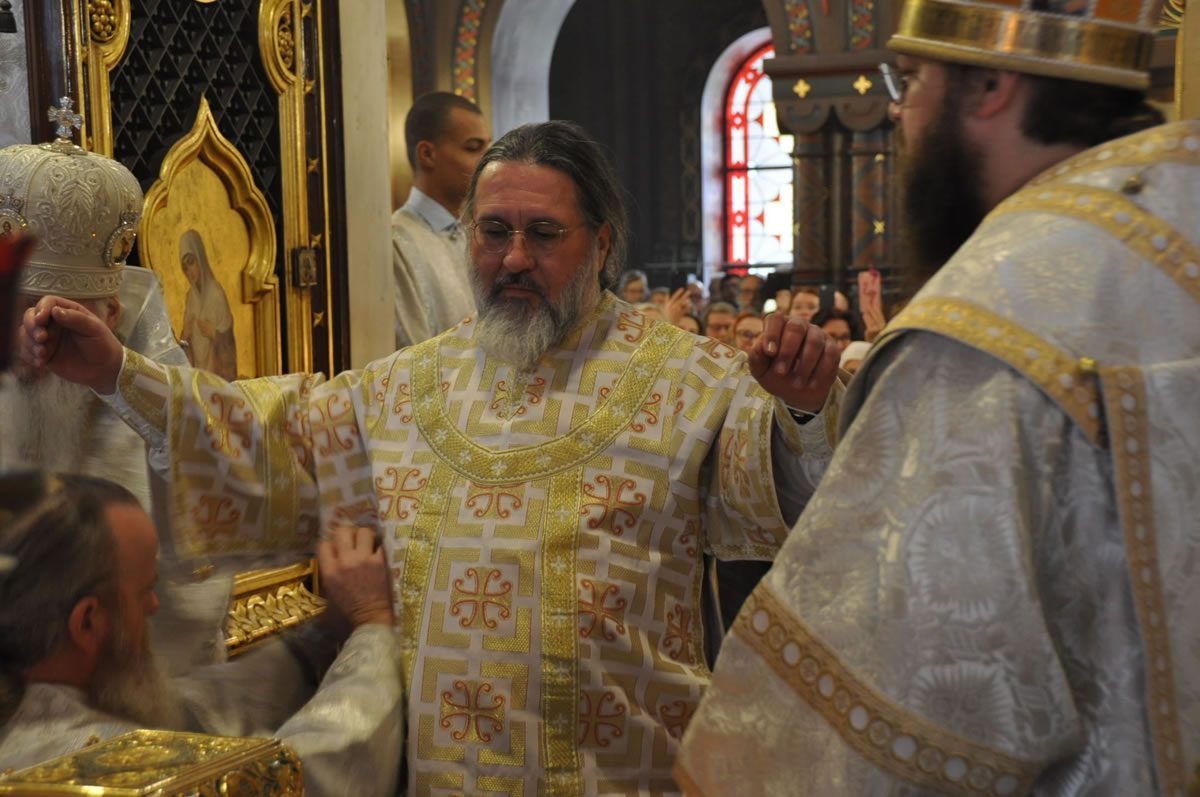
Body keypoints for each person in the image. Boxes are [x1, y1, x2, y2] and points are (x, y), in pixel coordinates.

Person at [23, 120, 841, 795]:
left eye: (543, 234)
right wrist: (118, 371)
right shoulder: (406, 387)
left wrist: (801, 406)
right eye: (493, 232)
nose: (513, 257)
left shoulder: (690, 380)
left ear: (601, 245)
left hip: (621, 772)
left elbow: (786, 494)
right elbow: (260, 431)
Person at [676, 0, 1198, 794]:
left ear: (990, 84)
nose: (897, 110)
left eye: (912, 78)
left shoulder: (981, 329)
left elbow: (894, 719)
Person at [0, 473, 403, 795]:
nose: (153, 606)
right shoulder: (83, 771)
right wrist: (373, 622)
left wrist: (315, 639)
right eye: (144, 592)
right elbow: (305, 778)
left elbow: (189, 717)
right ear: (87, 621)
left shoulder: (30, 704)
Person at [392, 92, 491, 348]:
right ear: (427, 154)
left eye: (488, 147)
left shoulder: (477, 234)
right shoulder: (396, 241)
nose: (489, 161)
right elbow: (412, 355)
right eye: (473, 148)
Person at [179, 229, 237, 381]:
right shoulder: (191, 298)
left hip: (216, 380)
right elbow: (187, 346)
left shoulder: (216, 294)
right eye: (185, 268)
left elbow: (229, 348)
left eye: (191, 262)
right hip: (197, 379)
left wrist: (215, 335)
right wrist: (185, 336)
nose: (189, 272)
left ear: (200, 257)